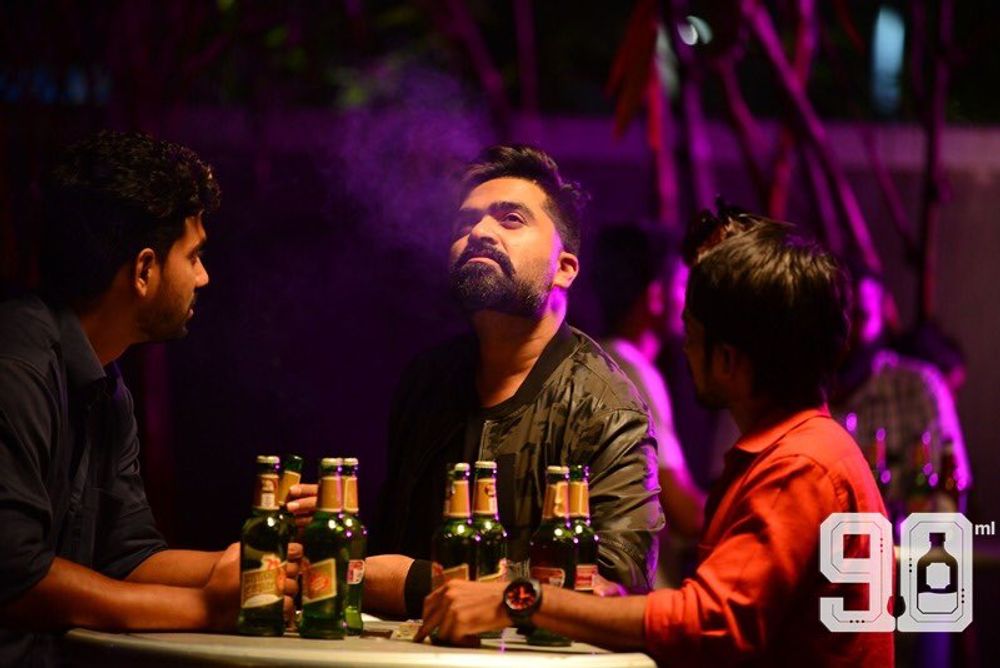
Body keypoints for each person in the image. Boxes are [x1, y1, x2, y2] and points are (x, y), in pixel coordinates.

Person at [415, 209, 894, 666]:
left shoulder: (801, 466)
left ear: (728, 360)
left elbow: (711, 622)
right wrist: (608, 606)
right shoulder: (807, 449)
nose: (684, 347)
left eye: (692, 332)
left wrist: (521, 598)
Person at [0, 131, 308, 664]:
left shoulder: (105, 380)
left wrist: (261, 565)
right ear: (144, 270)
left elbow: (129, 556)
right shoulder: (16, 368)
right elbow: (16, 577)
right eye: (194, 256)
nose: (204, 277)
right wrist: (205, 608)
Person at [364, 145, 664, 619]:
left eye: (511, 220)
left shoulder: (605, 407)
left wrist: (426, 583)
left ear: (564, 268)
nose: (479, 233)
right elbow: (390, 546)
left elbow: (617, 579)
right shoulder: (427, 381)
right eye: (465, 224)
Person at [592, 224, 705, 585]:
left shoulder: (598, 359)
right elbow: (684, 512)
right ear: (656, 295)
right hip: (638, 593)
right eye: (682, 286)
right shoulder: (632, 372)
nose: (688, 301)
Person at [832, 266, 972, 514]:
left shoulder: (918, 388)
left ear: (882, 315)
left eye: (860, 315)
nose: (848, 330)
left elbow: (950, 495)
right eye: (836, 319)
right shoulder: (802, 395)